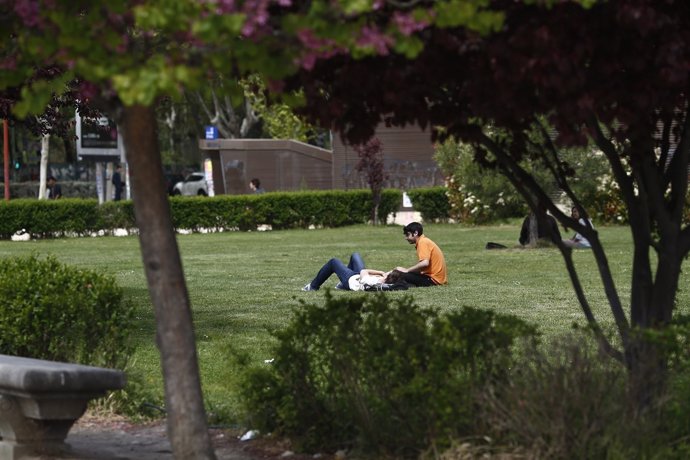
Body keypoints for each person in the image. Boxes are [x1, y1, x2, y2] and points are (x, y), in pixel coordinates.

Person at [302, 252, 402, 291]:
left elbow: (363, 271)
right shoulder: (387, 281)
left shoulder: (374, 282)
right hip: (357, 276)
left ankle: (313, 286)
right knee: (355, 255)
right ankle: (340, 285)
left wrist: (380, 272)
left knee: (333, 262)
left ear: (387, 277)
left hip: (351, 280)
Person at [395, 222, 447, 287]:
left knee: (399, 275)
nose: (406, 238)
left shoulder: (422, 242)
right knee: (401, 272)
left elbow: (425, 263)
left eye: (407, 235)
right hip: (435, 278)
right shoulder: (424, 240)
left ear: (416, 233)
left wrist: (407, 270)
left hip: (433, 280)